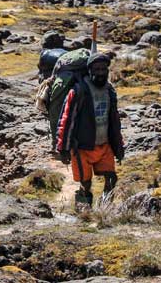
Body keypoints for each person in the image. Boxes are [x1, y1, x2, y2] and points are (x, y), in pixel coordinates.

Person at [55, 53, 124, 209]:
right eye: (97, 69)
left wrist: (118, 147)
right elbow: (66, 120)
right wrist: (63, 148)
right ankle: (83, 212)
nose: (100, 72)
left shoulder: (110, 91)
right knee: (86, 183)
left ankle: (104, 209)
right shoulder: (78, 91)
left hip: (104, 145)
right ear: (90, 70)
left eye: (103, 69)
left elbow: (114, 121)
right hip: (82, 148)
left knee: (111, 178)